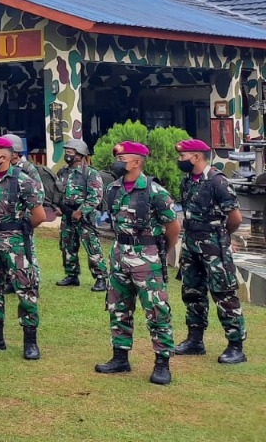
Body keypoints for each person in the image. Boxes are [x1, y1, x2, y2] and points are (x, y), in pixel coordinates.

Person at [94, 142, 180, 385]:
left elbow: (173, 227)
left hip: (147, 256)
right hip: (120, 254)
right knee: (118, 307)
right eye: (117, 157)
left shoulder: (155, 192)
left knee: (156, 310)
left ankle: (162, 363)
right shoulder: (112, 189)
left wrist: (160, 250)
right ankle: (120, 357)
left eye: (123, 157)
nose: (118, 161)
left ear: (137, 162)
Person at [173, 138, 247, 364]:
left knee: (224, 295)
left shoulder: (218, 181)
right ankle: (195, 340)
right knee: (192, 293)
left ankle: (236, 346)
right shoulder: (188, 181)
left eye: (183, 156)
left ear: (196, 157)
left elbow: (235, 218)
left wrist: (222, 237)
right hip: (191, 246)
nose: (180, 160)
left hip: (214, 248)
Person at [0, 136, 46, 360]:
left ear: (5, 157)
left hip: (16, 245)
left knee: (25, 291)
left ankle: (30, 341)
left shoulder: (23, 181)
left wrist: (18, 231)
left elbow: (39, 216)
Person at [56, 139, 107, 291]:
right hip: (67, 215)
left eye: (70, 152)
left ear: (80, 155)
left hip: (85, 217)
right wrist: (59, 207)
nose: (67, 154)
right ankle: (72, 275)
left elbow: (95, 197)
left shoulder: (90, 173)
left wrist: (81, 211)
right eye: (66, 152)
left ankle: (101, 278)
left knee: (92, 247)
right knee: (67, 246)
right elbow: (58, 192)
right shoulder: (62, 172)